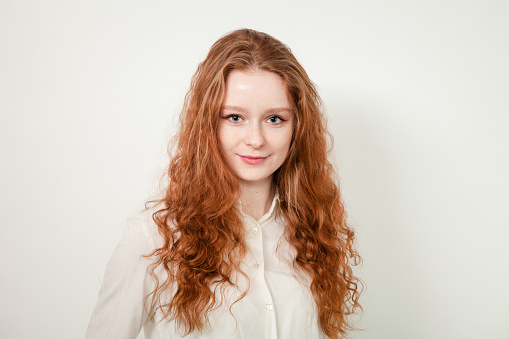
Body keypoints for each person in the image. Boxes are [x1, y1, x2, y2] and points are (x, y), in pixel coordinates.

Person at [85, 28, 362, 339]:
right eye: (234, 117)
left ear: (297, 127)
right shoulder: (152, 239)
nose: (256, 140)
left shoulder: (315, 233)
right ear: (207, 124)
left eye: (274, 119)